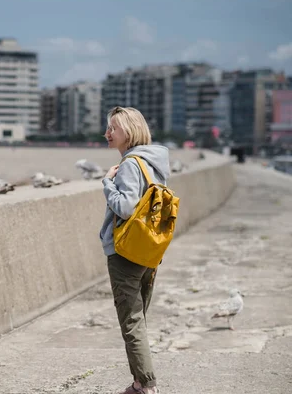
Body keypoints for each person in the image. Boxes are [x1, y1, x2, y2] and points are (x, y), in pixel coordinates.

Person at [100, 106, 170, 394]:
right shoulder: (155, 163)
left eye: (112, 128)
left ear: (127, 131)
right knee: (138, 318)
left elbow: (126, 207)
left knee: (131, 321)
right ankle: (140, 381)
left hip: (126, 252)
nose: (107, 133)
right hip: (149, 249)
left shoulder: (130, 164)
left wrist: (106, 183)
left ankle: (147, 386)